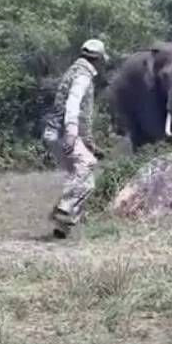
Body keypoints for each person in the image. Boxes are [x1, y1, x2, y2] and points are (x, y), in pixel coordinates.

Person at [42, 39, 108, 239]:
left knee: (79, 177)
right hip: (63, 133)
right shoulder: (82, 76)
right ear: (98, 59)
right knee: (87, 171)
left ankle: (61, 230)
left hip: (53, 133)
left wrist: (87, 142)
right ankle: (63, 209)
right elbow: (73, 103)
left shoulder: (72, 71)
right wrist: (71, 132)